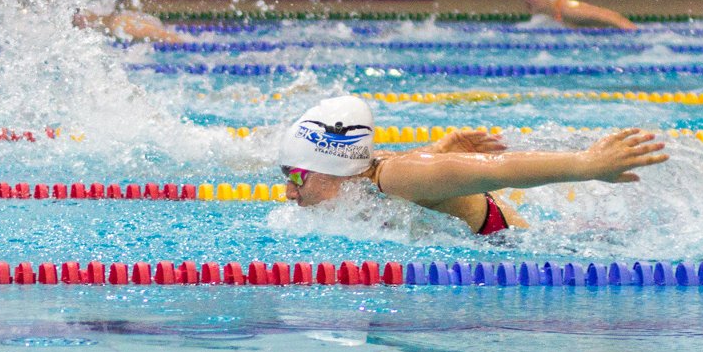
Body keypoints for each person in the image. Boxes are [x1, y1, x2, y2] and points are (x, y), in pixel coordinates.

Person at [277, 96, 667, 234]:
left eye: (297, 177)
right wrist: (438, 152)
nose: (289, 191)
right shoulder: (365, 174)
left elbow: (498, 168)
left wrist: (586, 163)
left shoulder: (397, 177)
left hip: (518, 243)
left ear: (334, 167)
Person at [70, 0, 183, 44]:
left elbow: (168, 37)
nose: (78, 16)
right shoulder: (109, 24)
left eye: (81, 11)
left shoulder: (123, 24)